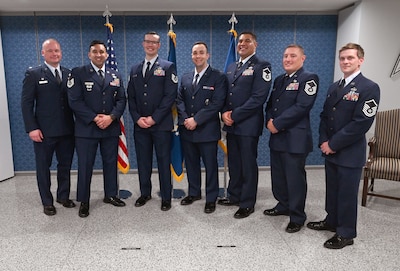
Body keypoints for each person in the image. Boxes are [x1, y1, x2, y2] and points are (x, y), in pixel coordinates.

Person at [307, 43, 380, 249]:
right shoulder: (334, 87)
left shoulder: (369, 87)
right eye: (342, 58)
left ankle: (346, 233)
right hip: (330, 150)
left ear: (360, 60)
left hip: (349, 151)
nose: (345, 62)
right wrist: (323, 141)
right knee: (333, 190)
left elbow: (361, 123)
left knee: (347, 194)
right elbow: (324, 116)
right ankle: (331, 221)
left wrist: (333, 143)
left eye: (350, 58)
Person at [67, 40, 127, 218]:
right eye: (95, 52)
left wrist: (111, 117)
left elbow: (122, 100)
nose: (99, 54)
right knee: (85, 165)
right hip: (87, 129)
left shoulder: (115, 74)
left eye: (102, 52)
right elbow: (74, 101)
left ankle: (111, 195)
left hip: (110, 127)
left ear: (106, 55)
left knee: (110, 164)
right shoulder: (78, 73)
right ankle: (84, 200)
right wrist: (94, 118)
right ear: (89, 54)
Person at [263, 44, 319, 233]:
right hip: (277, 138)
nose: (287, 59)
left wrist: (277, 124)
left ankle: (297, 216)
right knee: (278, 176)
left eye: (292, 56)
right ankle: (283, 205)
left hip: (295, 138)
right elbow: (270, 104)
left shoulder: (309, 78)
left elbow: (302, 106)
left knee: (295, 179)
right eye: (285, 55)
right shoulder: (279, 80)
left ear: (302, 58)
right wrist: (269, 119)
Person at [218, 31, 272, 218]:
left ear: (255, 44)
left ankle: (247, 202)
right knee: (234, 162)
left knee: (248, 164)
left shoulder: (262, 66)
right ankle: (234, 195)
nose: (242, 44)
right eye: (240, 41)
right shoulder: (232, 67)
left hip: (248, 125)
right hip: (231, 124)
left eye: (246, 41)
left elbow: (258, 98)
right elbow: (226, 94)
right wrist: (224, 112)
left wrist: (235, 114)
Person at [21, 38, 75, 216]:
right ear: (43, 53)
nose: (55, 54)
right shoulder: (34, 74)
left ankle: (63, 196)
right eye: (51, 51)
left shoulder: (68, 74)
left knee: (65, 165)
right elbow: (26, 103)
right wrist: (32, 128)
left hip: (67, 130)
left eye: (57, 51)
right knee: (43, 167)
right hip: (43, 132)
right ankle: (47, 201)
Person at [127, 31, 178, 211]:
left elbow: (170, 96)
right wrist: (137, 118)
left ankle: (166, 196)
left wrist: (154, 118)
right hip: (140, 125)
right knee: (143, 161)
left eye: (154, 42)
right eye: (147, 41)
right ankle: (145, 193)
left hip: (161, 125)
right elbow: (130, 97)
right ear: (143, 44)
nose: (150, 45)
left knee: (163, 161)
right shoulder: (134, 69)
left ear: (159, 46)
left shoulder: (168, 66)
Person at [176, 41, 228, 214]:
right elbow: (179, 100)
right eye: (194, 53)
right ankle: (194, 192)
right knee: (191, 164)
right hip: (187, 129)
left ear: (208, 55)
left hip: (207, 130)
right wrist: (186, 119)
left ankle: (211, 197)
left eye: (201, 52)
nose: (197, 56)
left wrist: (196, 120)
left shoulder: (218, 77)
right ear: (191, 56)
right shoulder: (185, 77)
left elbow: (217, 103)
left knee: (210, 165)